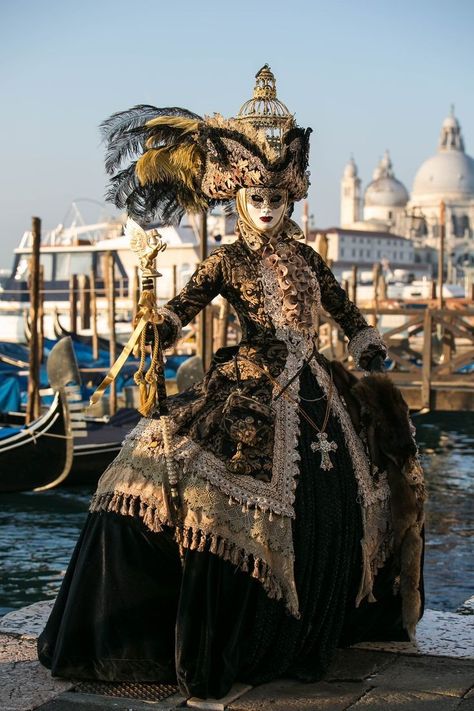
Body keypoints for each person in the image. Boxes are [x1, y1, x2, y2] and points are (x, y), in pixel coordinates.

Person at [38, 66, 425, 700]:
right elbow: (180, 314)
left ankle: (316, 623)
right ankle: (232, 630)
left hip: (317, 387)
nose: (269, 211)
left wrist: (367, 343)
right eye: (257, 200)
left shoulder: (307, 257)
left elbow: (344, 310)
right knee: (191, 478)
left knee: (359, 479)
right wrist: (151, 311)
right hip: (251, 385)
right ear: (240, 199)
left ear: (289, 199)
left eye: (278, 200)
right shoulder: (226, 260)